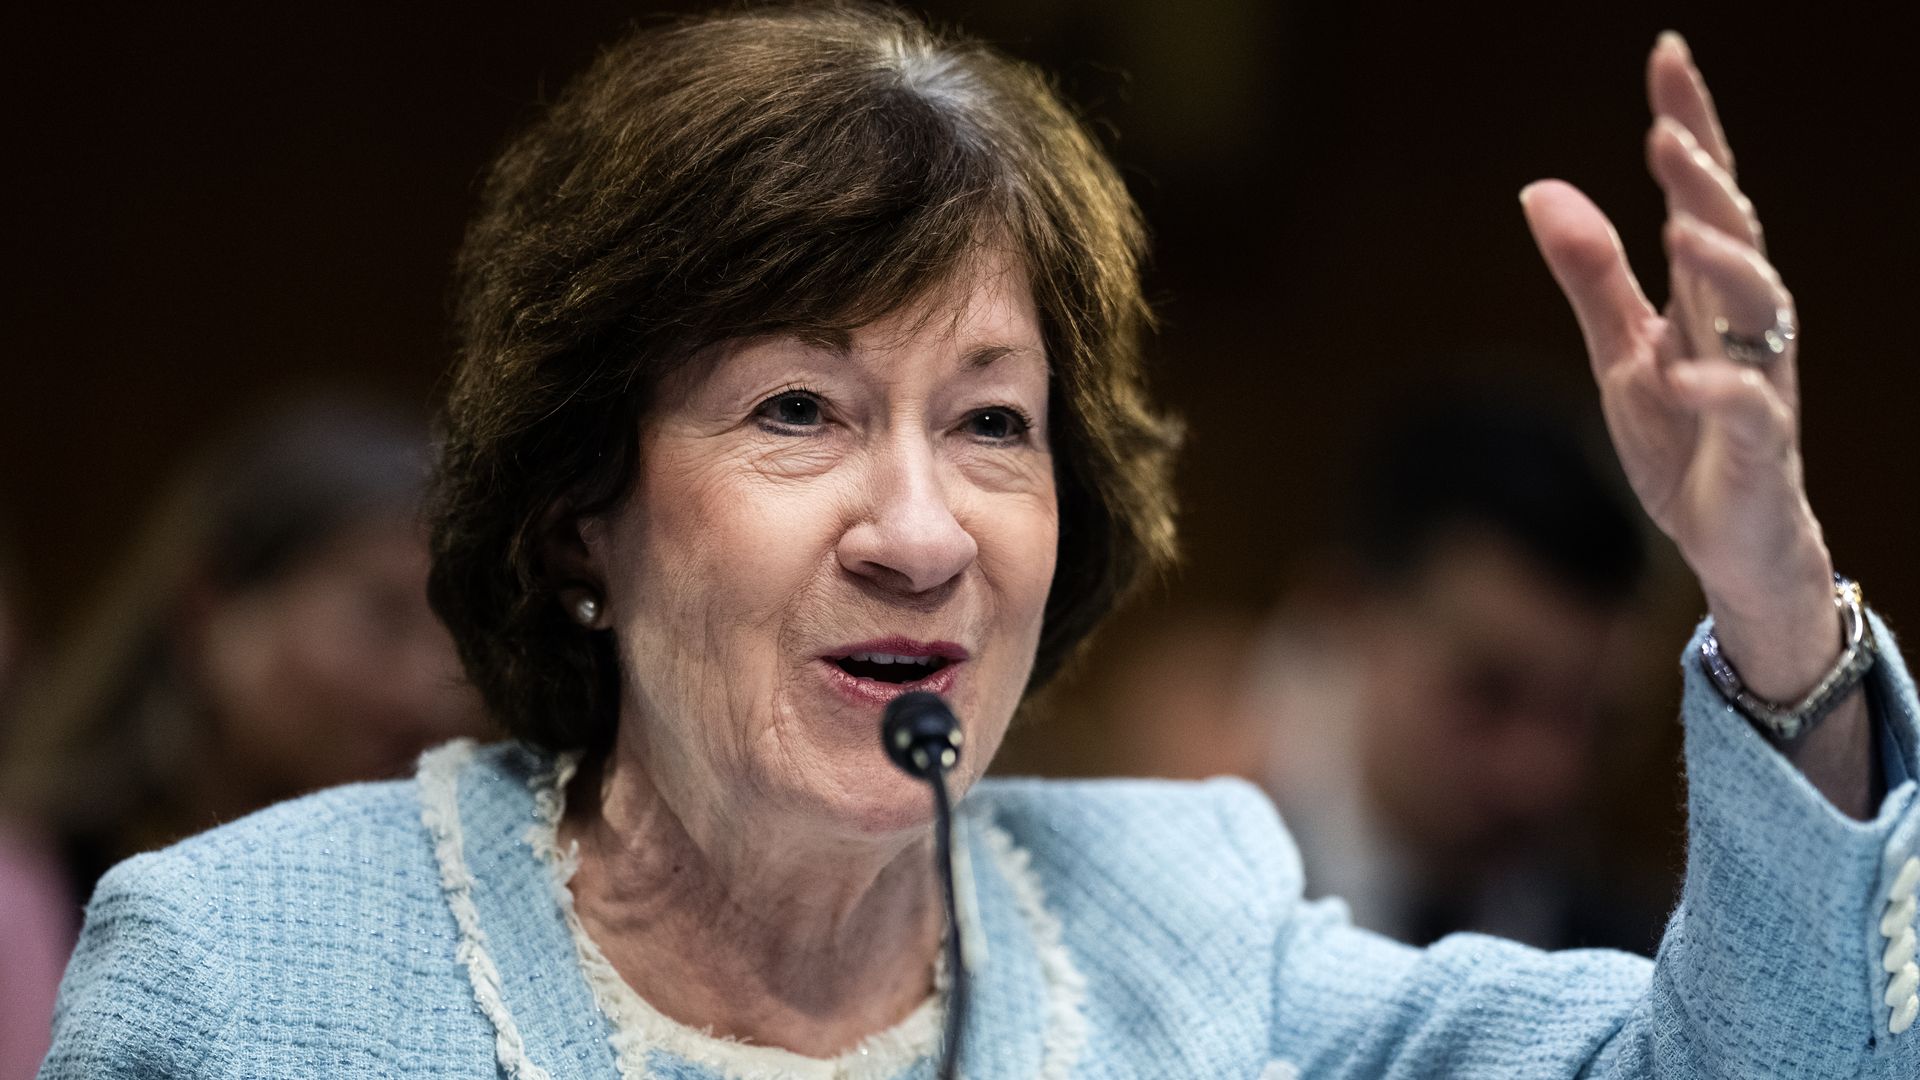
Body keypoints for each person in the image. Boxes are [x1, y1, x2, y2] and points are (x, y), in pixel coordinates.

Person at [38, 8, 1920, 1077]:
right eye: (800, 410)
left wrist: (1769, 599)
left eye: (993, 424)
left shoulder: (1185, 926)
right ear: (578, 514)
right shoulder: (239, 974)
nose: (922, 531)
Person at [0, 398, 487, 1041]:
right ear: (208, 604)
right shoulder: (27, 897)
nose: (431, 692)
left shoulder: (448, 932)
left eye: (460, 635)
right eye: (383, 616)